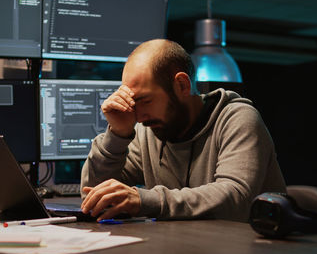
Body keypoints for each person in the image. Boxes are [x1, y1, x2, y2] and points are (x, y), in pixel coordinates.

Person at [80, 39, 286, 221]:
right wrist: (117, 135)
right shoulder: (149, 131)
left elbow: (235, 197)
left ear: (182, 85)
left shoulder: (238, 119)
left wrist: (148, 200)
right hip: (185, 251)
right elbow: (94, 198)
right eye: (134, 103)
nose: (139, 117)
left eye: (145, 100)